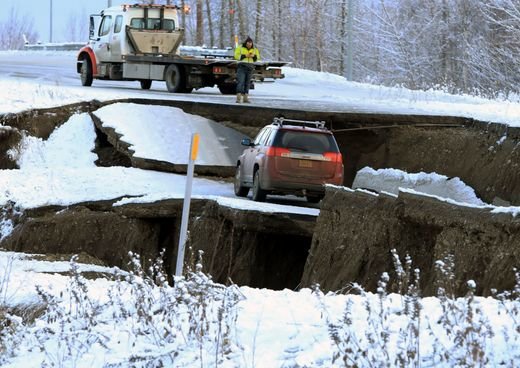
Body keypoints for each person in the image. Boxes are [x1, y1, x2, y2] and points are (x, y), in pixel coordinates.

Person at [234, 36, 260, 103]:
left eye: (250, 43)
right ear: (246, 43)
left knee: (247, 83)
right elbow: (236, 56)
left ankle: (246, 98)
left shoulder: (254, 49)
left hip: (250, 67)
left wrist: (254, 56)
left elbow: (258, 58)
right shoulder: (240, 47)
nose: (249, 44)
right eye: (248, 43)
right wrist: (245, 55)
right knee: (241, 82)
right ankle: (238, 98)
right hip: (242, 67)